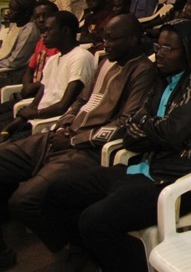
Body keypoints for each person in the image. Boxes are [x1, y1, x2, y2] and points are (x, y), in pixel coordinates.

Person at [41, 19, 191, 272]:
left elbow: (172, 133)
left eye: (168, 49)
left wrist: (148, 125)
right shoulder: (161, 79)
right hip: (142, 168)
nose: (158, 54)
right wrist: (153, 126)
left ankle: (131, 263)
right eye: (158, 46)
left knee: (94, 220)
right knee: (58, 191)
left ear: (190, 51)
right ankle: (93, 252)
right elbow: (129, 129)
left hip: (177, 183)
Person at [0, 14, 157, 268]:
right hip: (60, 136)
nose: (105, 44)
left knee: (23, 201)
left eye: (112, 39)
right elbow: (81, 101)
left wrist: (74, 140)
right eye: (104, 38)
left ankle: (75, 244)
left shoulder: (143, 71)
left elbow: (125, 123)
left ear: (133, 39)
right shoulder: (106, 62)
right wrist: (64, 124)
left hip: (87, 149)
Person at [0, 11, 94, 141]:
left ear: (66, 31)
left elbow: (64, 106)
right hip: (34, 120)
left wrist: (35, 113)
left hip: (51, 126)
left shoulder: (80, 57)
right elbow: (36, 102)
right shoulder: (53, 60)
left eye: (48, 30)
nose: (44, 35)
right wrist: (9, 128)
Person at [0, 0, 41, 88]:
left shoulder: (29, 30)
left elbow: (15, 61)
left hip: (13, 75)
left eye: (13, 10)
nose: (8, 12)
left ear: (26, 13)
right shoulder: (15, 24)